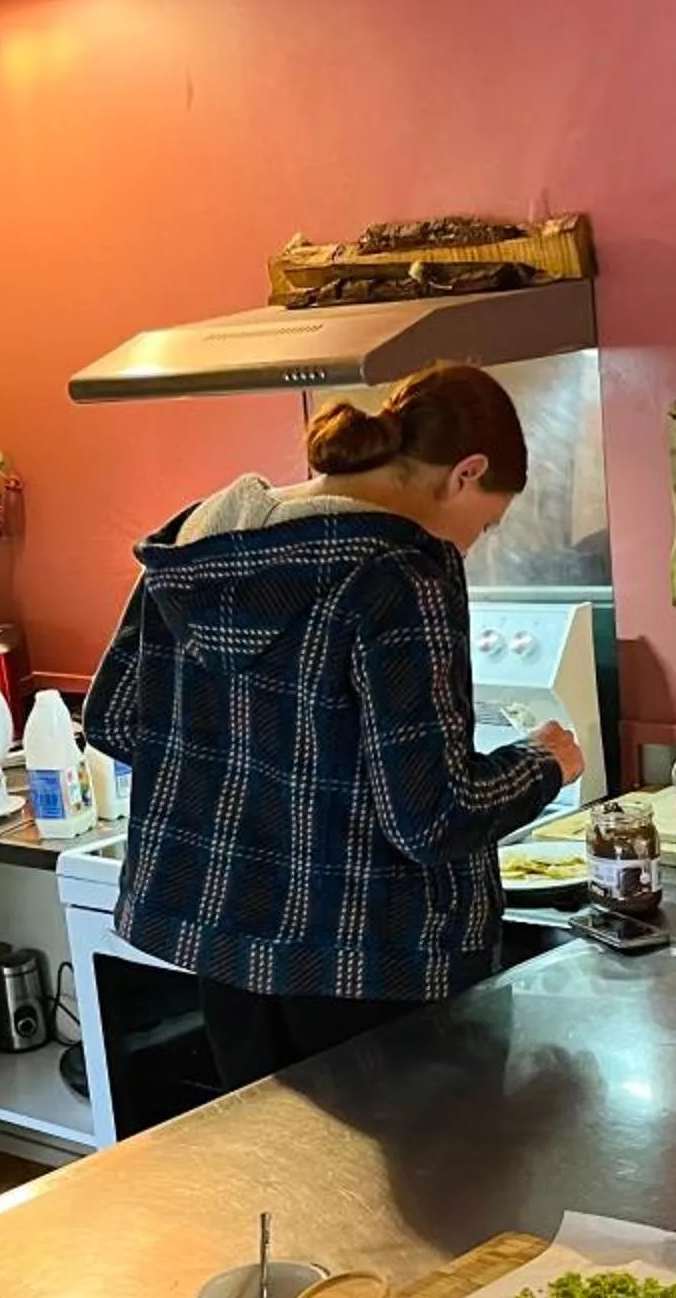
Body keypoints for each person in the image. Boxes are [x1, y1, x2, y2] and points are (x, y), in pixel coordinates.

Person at [84, 363, 585, 1090]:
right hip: (373, 966)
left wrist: (264, 789)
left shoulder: (195, 539)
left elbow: (117, 720)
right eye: (486, 522)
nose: (473, 545)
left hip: (229, 961)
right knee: (415, 1198)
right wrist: (544, 763)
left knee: (279, 1187)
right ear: (466, 473)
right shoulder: (398, 574)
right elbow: (432, 817)